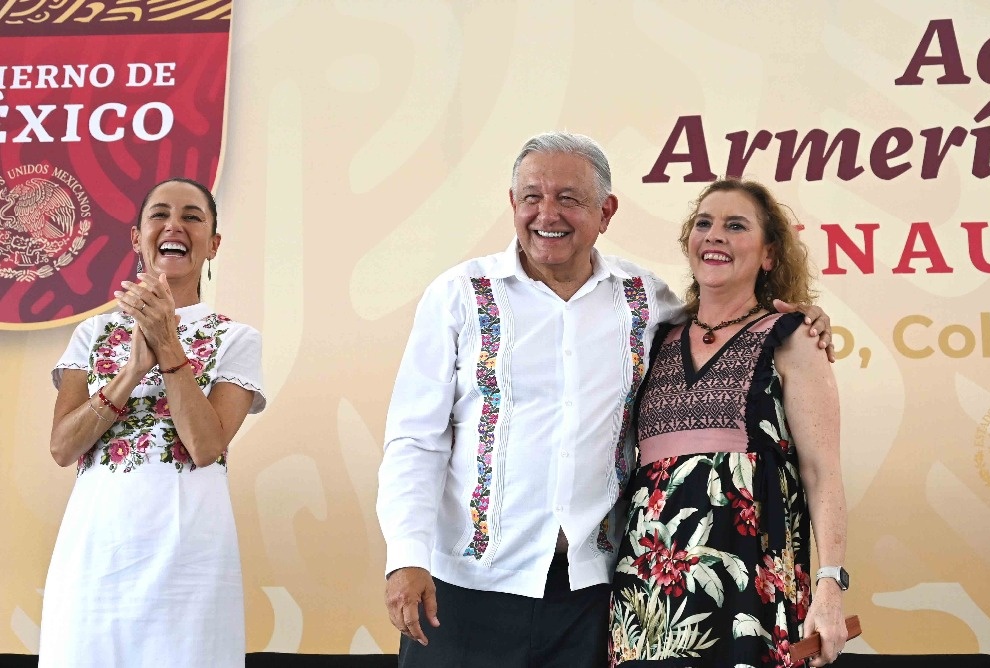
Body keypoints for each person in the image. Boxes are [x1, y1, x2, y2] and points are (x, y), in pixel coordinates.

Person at [377, 132, 833, 667]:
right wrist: (405, 556)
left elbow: (724, 321)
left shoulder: (645, 299)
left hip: (589, 598)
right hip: (463, 589)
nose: (547, 213)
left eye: (568, 198)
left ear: (606, 212)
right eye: (532, 197)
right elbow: (416, 440)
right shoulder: (459, 295)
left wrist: (801, 318)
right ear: (513, 204)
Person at [608, 178, 848, 667]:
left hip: (751, 589)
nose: (714, 234)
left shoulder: (792, 336)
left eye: (736, 226)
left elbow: (822, 474)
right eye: (704, 223)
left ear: (769, 255)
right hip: (649, 593)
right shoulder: (654, 336)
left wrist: (830, 585)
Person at [38, 177, 266, 668]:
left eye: (192, 217)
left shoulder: (236, 338)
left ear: (213, 244)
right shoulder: (91, 332)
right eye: (160, 214)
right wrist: (131, 372)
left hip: (189, 560)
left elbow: (205, 447)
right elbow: (62, 448)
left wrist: (168, 346)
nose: (174, 226)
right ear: (136, 237)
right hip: (96, 554)